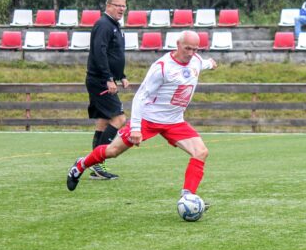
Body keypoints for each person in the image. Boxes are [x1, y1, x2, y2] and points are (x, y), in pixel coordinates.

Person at [67, 30, 218, 201]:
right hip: (148, 120)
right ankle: (81, 165)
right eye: (187, 48)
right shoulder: (161, 67)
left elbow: (202, 63)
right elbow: (140, 97)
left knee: (201, 152)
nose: (191, 53)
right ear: (177, 45)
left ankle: (188, 197)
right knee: (112, 151)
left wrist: (210, 63)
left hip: (175, 122)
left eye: (195, 49)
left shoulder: (196, 60)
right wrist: (137, 128)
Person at [83, 0, 130, 180]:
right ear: (108, 6)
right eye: (118, 5)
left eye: (124, 5)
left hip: (105, 79)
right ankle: (95, 162)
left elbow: (113, 54)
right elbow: (99, 53)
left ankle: (96, 167)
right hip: (100, 81)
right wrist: (108, 79)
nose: (121, 9)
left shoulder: (114, 26)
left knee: (103, 122)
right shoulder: (103, 24)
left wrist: (121, 75)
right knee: (119, 120)